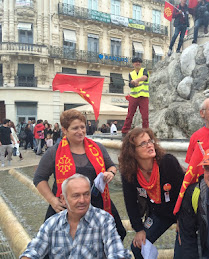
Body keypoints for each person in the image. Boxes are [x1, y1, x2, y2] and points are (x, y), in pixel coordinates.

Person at [33, 109, 126, 241]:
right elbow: (39, 178)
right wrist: (53, 200)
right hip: (66, 207)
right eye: (75, 128)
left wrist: (110, 173)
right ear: (65, 130)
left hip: (97, 203)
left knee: (115, 235)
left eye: (82, 127)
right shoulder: (54, 152)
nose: (81, 131)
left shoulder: (98, 147)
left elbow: (111, 166)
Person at [20, 174, 130, 259]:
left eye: (86, 194)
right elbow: (33, 250)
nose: (82, 200)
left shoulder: (104, 220)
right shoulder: (52, 223)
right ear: (63, 199)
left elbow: (116, 252)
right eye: (76, 196)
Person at [119, 127, 184, 258]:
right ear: (133, 151)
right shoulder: (129, 173)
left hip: (181, 212)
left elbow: (184, 193)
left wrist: (183, 222)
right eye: (143, 143)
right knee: (137, 247)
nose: (149, 145)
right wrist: (139, 229)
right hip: (159, 213)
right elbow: (130, 203)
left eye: (150, 141)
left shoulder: (167, 162)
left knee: (181, 253)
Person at [121, 57, 150, 137]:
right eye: (136, 62)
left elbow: (145, 77)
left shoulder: (144, 70)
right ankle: (125, 131)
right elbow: (130, 85)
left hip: (143, 96)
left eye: (139, 62)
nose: (138, 63)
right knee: (130, 115)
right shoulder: (131, 74)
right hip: (133, 96)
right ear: (133, 64)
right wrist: (133, 83)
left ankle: (146, 131)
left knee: (145, 116)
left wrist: (136, 80)